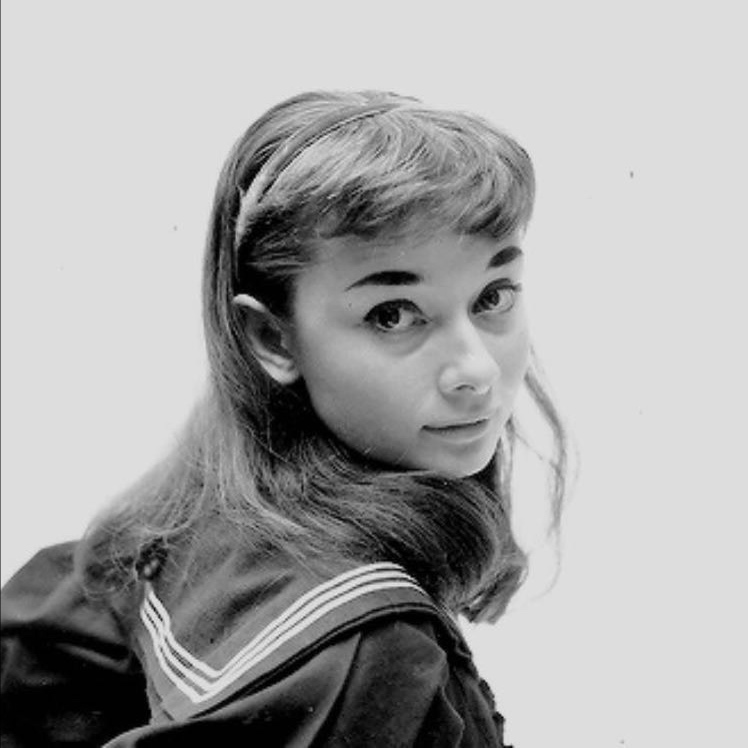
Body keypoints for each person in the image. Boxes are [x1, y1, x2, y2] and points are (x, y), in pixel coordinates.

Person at [1, 90, 568, 746]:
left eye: (493, 297)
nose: (475, 369)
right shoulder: (368, 657)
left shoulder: (199, 507)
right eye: (392, 314)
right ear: (272, 338)